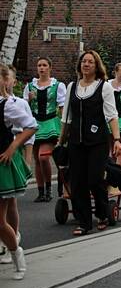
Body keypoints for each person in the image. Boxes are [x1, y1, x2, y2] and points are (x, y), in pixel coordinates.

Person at [60, 50, 121, 236]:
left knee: (95, 179)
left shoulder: (104, 87)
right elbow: (66, 118)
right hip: (76, 141)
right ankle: (84, 222)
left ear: (97, 66)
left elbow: (112, 116)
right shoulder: (72, 87)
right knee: (77, 183)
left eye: (90, 62)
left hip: (98, 142)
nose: (86, 64)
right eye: (83, 62)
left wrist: (117, 140)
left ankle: (102, 214)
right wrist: (60, 142)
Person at [0, 64, 37, 280]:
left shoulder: (8, 106)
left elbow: (31, 126)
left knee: (0, 220)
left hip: (2, 162)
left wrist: (13, 147)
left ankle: (16, 253)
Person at [24, 57, 66, 202]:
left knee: (44, 157)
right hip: (35, 123)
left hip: (50, 123)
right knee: (37, 158)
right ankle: (41, 191)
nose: (41, 68)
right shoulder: (30, 86)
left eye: (44, 65)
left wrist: (65, 127)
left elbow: (62, 108)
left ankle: (49, 188)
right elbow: (23, 109)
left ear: (50, 67)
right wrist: (28, 99)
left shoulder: (58, 85)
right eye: (39, 65)